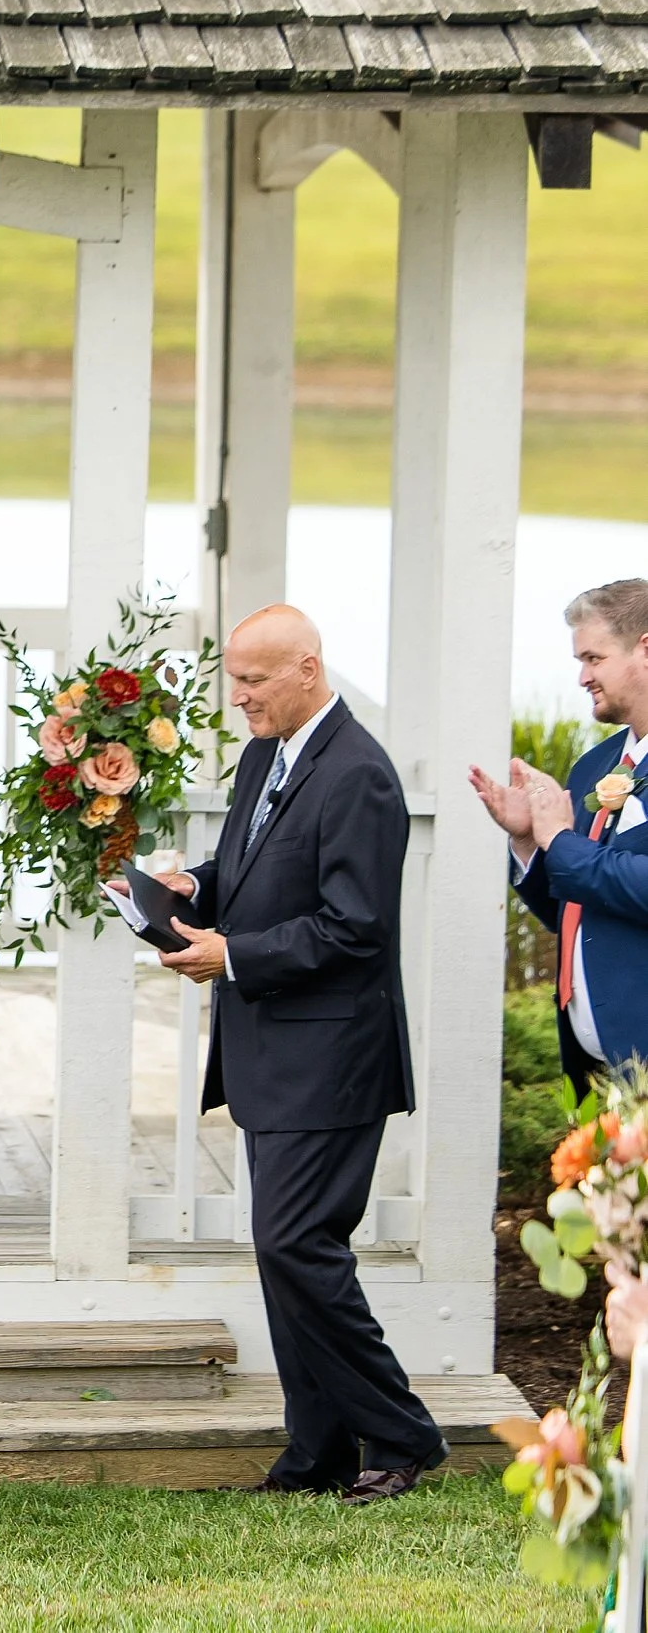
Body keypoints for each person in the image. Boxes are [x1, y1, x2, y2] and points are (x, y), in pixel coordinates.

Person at [139, 604, 446, 1504]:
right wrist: (194, 884)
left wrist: (232, 953)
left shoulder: (361, 775)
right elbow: (252, 868)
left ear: (308, 668)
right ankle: (315, 1452)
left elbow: (355, 927)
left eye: (255, 680)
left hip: (333, 1058)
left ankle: (401, 1434)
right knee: (286, 1254)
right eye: (234, 679)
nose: (239, 698)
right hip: (272, 1053)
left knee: (295, 1243)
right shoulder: (266, 754)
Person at [471, 578, 648, 1085]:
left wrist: (561, 842)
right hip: (597, 1070)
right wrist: (529, 841)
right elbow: (575, 913)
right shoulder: (596, 766)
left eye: (593, 659)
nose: (582, 678)